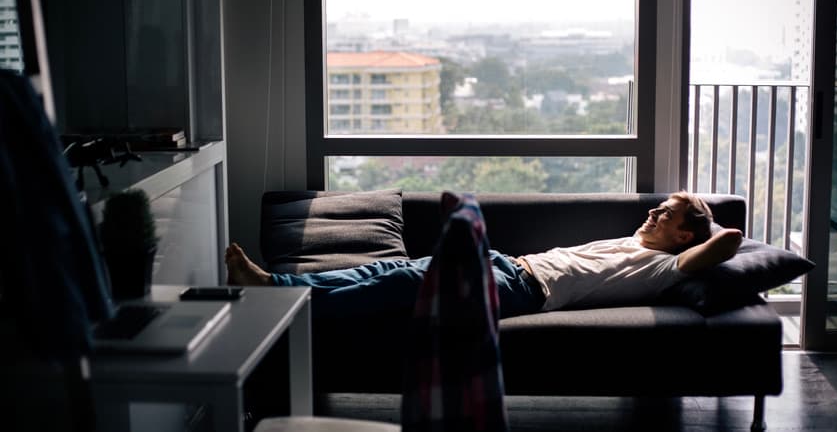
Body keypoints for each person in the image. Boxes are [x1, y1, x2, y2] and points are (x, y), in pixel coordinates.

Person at [225, 191, 743, 319]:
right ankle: (276, 289)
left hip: (519, 291)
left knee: (398, 287)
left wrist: (700, 215)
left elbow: (731, 238)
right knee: (389, 269)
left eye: (666, 214)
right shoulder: (637, 242)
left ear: (684, 238)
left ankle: (278, 300)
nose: (654, 212)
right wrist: (679, 216)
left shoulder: (664, 265)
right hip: (505, 265)